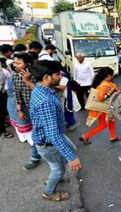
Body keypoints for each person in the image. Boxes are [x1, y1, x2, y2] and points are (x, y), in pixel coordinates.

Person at [29, 60, 82, 201]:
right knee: (58, 169)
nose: (60, 77)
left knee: (70, 151)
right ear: (46, 77)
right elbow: (53, 134)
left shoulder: (39, 89)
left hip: (47, 139)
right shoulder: (47, 101)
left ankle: (55, 177)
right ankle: (49, 192)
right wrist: (71, 157)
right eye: (57, 74)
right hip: (49, 143)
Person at [12, 53, 42, 170]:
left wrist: (28, 80)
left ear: (28, 64)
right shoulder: (15, 76)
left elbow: (42, 92)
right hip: (30, 109)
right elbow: (17, 93)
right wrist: (19, 109)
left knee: (39, 133)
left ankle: (35, 157)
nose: (15, 65)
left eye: (18, 63)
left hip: (42, 108)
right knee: (37, 133)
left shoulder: (37, 74)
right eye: (15, 62)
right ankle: (37, 155)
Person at [79, 67, 121, 145]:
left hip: (106, 107)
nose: (113, 77)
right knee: (103, 125)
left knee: (112, 120)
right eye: (112, 75)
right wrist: (111, 92)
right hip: (102, 109)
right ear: (108, 76)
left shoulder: (104, 82)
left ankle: (113, 136)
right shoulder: (104, 85)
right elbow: (100, 98)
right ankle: (85, 136)